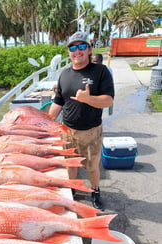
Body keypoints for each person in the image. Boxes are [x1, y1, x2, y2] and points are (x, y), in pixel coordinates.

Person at [48, 31, 114, 210]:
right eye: (73, 47)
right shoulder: (64, 74)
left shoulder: (100, 71)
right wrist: (45, 121)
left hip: (90, 130)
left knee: (92, 166)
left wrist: (88, 99)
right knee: (70, 165)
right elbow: (58, 102)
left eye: (82, 46)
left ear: (89, 49)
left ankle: (95, 191)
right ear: (69, 51)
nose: (78, 51)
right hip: (67, 129)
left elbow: (108, 100)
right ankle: (73, 190)